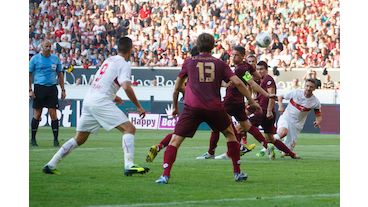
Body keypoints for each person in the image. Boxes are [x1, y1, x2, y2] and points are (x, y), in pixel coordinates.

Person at [155, 33, 260, 184]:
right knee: (230, 134)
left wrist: (175, 106)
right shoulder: (220, 64)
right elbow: (238, 82)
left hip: (192, 107)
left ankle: (165, 175)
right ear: (213, 46)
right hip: (214, 107)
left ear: (198, 46)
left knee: (175, 140)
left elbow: (177, 86)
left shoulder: (189, 62)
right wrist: (251, 100)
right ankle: (237, 172)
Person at [42, 37, 149, 176]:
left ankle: (51, 164)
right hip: (101, 101)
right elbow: (126, 86)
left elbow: (102, 81)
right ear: (131, 49)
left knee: (79, 138)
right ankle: (129, 165)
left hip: (89, 99)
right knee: (129, 128)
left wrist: (114, 96)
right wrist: (139, 106)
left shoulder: (109, 60)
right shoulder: (124, 64)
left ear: (117, 48)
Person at [195, 46, 275, 160]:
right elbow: (256, 77)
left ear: (243, 56)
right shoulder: (246, 67)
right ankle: (267, 146)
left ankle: (212, 152)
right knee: (246, 126)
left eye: (236, 55)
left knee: (216, 126)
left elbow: (251, 82)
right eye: (232, 55)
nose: (233, 57)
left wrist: (264, 94)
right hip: (239, 102)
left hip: (230, 100)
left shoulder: (240, 69)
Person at [248, 61, 300, 160]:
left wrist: (269, 110)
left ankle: (240, 148)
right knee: (271, 139)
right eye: (258, 69)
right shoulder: (259, 80)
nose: (259, 71)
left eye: (261, 69)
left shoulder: (268, 79)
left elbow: (271, 96)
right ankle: (292, 154)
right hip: (262, 110)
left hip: (264, 111)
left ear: (266, 70)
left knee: (242, 127)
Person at [257, 79, 322, 157]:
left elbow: (318, 115)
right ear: (304, 86)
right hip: (286, 117)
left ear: (314, 88)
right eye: (307, 86)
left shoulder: (315, 102)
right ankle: (265, 149)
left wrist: (318, 121)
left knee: (285, 153)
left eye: (311, 87)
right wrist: (280, 106)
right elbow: (280, 96)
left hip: (297, 125)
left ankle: (274, 147)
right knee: (283, 132)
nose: (308, 88)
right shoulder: (296, 92)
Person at [29, 40, 66, 147]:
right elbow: (29, 74)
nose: (49, 48)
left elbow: (60, 75)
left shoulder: (55, 59)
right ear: (42, 47)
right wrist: (30, 90)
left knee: (53, 114)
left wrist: (63, 90)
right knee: (37, 114)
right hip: (39, 88)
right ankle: (33, 139)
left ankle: (55, 140)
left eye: (50, 46)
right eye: (47, 46)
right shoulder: (35, 59)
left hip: (52, 88)